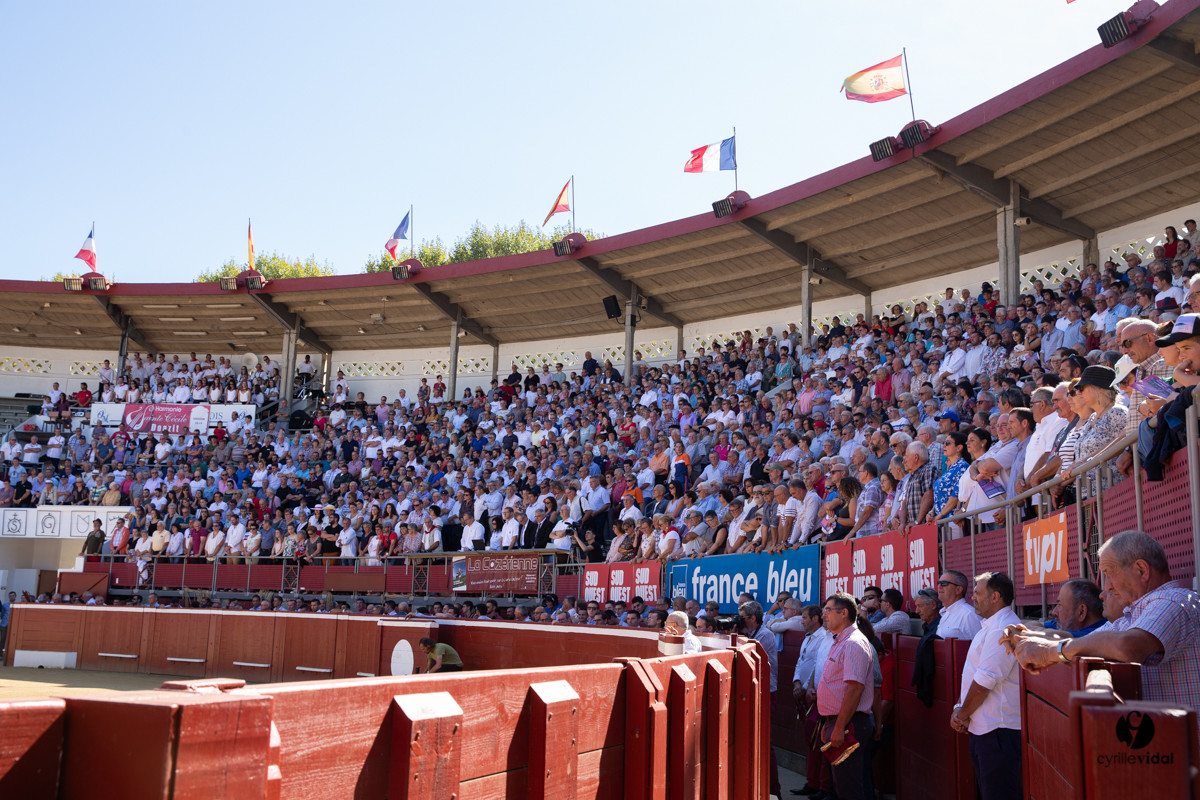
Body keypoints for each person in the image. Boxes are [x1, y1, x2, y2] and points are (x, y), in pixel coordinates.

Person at [1003, 530, 1200, 716]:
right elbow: (1084, 640)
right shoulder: (1134, 613)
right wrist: (1027, 637)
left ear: (1141, 570)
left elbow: (1127, 646)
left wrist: (1051, 651)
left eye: (1109, 572)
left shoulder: (1172, 601)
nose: (1106, 586)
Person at [951, 572, 1022, 800]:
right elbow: (976, 676)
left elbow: (984, 681)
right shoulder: (990, 627)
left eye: (978, 593)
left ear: (995, 597)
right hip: (985, 729)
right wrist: (959, 708)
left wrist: (961, 714)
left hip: (998, 731)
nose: (972, 598)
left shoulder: (1005, 628)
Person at [816, 592, 875, 800]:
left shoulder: (852, 643)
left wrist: (839, 726)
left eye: (829, 610)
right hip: (842, 721)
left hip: (850, 723)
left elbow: (854, 689)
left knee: (849, 789)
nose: (824, 615)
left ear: (844, 613)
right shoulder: (842, 641)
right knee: (844, 786)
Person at [791, 604, 834, 798]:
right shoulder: (809, 638)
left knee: (820, 743)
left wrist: (810, 688)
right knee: (811, 741)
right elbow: (802, 662)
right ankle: (813, 782)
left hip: (819, 696)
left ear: (814, 619)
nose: (801, 620)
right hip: (808, 695)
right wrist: (798, 683)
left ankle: (822, 786)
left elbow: (822, 667)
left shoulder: (827, 638)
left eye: (805, 617)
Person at [936, 569, 983, 641]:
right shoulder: (945, 614)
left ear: (958, 589)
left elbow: (980, 646)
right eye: (938, 583)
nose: (939, 586)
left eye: (944, 583)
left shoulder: (969, 615)